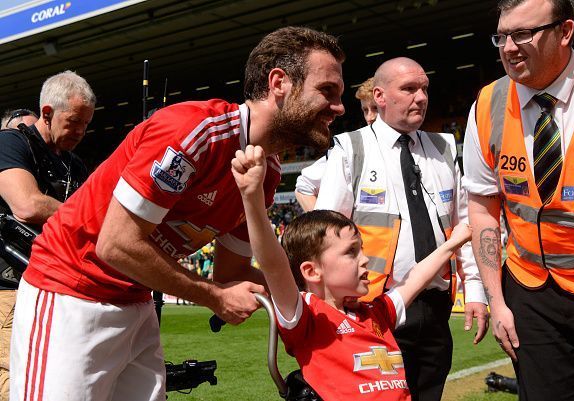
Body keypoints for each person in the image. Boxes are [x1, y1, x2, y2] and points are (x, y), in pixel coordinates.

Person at [10, 26, 345, 401]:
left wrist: (317, 295)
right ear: (279, 83)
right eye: (326, 91)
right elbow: (116, 245)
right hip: (71, 293)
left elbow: (231, 272)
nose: (339, 107)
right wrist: (214, 297)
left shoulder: (265, 175)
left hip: (136, 303)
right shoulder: (194, 130)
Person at [231, 144, 473, 401]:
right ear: (312, 271)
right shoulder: (306, 317)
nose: (365, 259)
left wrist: (452, 243)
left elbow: (417, 278)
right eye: (351, 252)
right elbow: (273, 264)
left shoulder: (378, 313)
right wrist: (252, 197)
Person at [315, 57, 488, 401]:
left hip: (436, 308)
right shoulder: (350, 149)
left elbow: (464, 226)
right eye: (409, 89)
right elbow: (324, 237)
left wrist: (476, 289)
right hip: (375, 309)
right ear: (379, 96)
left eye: (424, 88)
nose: (421, 97)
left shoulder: (444, 148)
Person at [462, 0, 574, 400]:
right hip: (529, 292)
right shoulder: (488, 104)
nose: (508, 48)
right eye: (501, 36)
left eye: (523, 34)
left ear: (565, 31)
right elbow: (484, 210)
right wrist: (496, 301)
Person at [0, 72, 93, 401]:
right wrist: (89, 218)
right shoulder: (11, 142)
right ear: (48, 112)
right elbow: (26, 204)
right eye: (73, 122)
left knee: (57, 378)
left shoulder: (76, 166)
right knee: (14, 377)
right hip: (10, 288)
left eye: (86, 123)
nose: (80, 131)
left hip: (59, 288)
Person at [295, 77, 378, 211]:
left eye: (375, 109)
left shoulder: (418, 143)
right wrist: (322, 227)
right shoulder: (351, 147)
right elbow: (304, 186)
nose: (370, 117)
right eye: (365, 110)